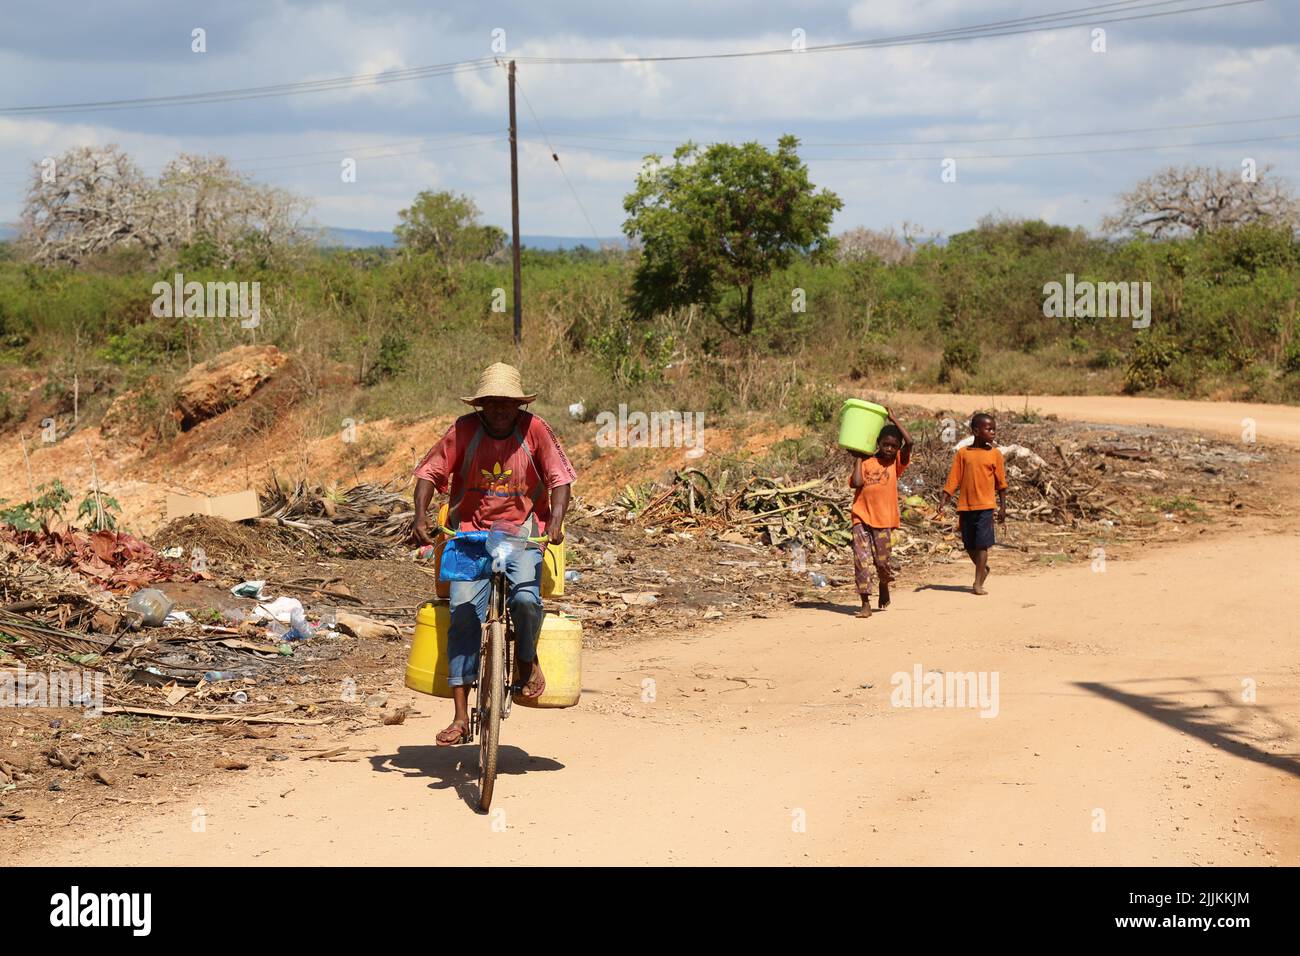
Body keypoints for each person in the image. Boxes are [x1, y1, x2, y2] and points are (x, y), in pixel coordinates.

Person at [412, 363, 576, 746]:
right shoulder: (463, 430)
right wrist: (420, 515)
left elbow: (560, 478)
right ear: (481, 404)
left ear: (518, 405)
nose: (500, 410)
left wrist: (554, 522)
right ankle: (458, 717)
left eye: (507, 403)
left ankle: (525, 659)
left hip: (520, 535)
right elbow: (428, 473)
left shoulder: (535, 429)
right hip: (469, 534)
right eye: (493, 403)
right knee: (464, 611)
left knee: (525, 600)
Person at [848, 408, 913, 619]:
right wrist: (858, 458)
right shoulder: (867, 462)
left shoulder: (896, 464)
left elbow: (910, 442)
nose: (889, 449)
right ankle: (865, 602)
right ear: (878, 443)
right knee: (861, 560)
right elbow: (856, 483)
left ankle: (884, 583)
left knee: (883, 562)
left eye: (894, 446)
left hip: (884, 520)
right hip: (861, 517)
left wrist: (894, 419)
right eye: (885, 444)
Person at [936, 413, 1007, 595]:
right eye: (989, 429)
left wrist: (1003, 507)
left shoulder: (995, 454)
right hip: (965, 507)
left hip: (986, 506)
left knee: (982, 544)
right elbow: (954, 478)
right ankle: (983, 568)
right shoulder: (963, 454)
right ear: (976, 431)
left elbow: (1001, 484)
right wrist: (944, 499)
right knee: (968, 544)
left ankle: (977, 583)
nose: (993, 432)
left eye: (994, 429)